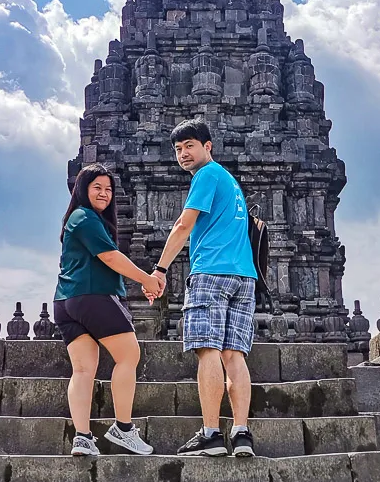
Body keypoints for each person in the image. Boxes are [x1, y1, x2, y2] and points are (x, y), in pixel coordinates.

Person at [147, 119, 257, 457]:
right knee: (234, 355)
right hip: (244, 276)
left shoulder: (206, 175)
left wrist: (160, 268)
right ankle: (241, 433)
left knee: (207, 349)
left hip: (211, 273)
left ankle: (211, 434)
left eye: (189, 146)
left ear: (208, 147)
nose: (183, 154)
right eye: (178, 149)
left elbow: (183, 225)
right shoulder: (230, 181)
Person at [54, 163, 161, 457]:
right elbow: (111, 258)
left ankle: (83, 437)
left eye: (108, 189)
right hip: (92, 297)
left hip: (66, 302)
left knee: (84, 369)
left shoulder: (79, 219)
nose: (104, 193)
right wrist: (147, 280)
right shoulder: (85, 217)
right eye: (97, 187)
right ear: (82, 190)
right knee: (129, 355)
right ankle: (123, 429)